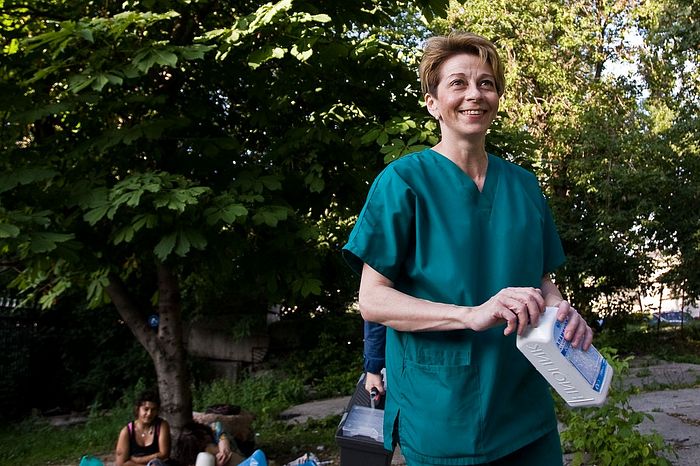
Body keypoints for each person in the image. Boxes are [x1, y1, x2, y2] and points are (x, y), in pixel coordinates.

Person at [343, 31, 594, 466]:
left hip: (524, 406)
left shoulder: (523, 185)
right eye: (458, 83)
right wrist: (469, 315)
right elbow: (373, 300)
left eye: (486, 83)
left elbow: (539, 278)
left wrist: (561, 310)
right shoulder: (402, 183)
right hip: (442, 410)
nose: (474, 94)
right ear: (432, 102)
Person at [115, 390, 172, 466]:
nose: (149, 413)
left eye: (153, 410)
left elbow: (164, 454)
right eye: (146, 409)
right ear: (138, 409)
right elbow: (121, 463)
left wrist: (139, 460)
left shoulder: (162, 426)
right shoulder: (127, 432)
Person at [172, 421, 242, 466]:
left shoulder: (212, 432)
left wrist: (223, 439)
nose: (207, 438)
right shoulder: (201, 458)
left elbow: (217, 426)